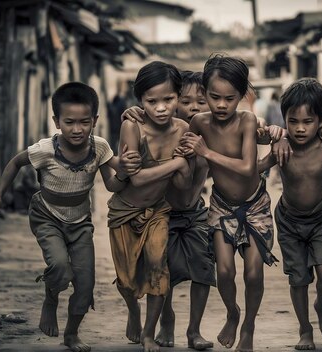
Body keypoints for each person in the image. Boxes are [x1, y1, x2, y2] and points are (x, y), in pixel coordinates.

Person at [0, 81, 141, 352]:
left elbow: (114, 184)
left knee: (85, 283)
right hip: (46, 217)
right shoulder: (45, 149)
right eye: (69, 122)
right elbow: (14, 163)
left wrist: (126, 170)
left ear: (95, 120)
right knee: (60, 267)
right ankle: (51, 295)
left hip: (81, 223)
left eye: (84, 122)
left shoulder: (100, 147)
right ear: (57, 121)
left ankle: (71, 333)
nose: (77, 129)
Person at [180, 54, 278, 352]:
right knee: (223, 272)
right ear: (205, 93)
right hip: (221, 207)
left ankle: (248, 326)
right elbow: (178, 141)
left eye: (230, 98)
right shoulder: (198, 122)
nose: (221, 105)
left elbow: (248, 167)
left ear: (243, 96)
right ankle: (233, 313)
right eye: (214, 97)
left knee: (253, 273)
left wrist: (206, 153)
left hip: (255, 206)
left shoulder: (247, 121)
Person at [119, 70, 216, 350]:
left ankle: (194, 331)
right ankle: (167, 320)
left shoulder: (213, 132)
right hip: (164, 212)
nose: (193, 107)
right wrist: (133, 111)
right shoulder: (166, 128)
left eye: (201, 101)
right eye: (185, 101)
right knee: (163, 272)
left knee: (203, 269)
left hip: (195, 211)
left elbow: (254, 127)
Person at [257, 78, 322, 350]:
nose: (300, 128)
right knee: (298, 278)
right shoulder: (282, 148)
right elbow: (256, 166)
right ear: (285, 118)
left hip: (321, 218)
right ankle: (305, 329)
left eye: (308, 121)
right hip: (289, 222)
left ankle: (321, 305)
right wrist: (275, 138)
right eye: (293, 121)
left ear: (321, 120)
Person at [107, 61, 191, 352]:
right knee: (126, 282)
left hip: (157, 211)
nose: (160, 108)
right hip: (124, 212)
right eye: (151, 101)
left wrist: (185, 165)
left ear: (178, 96)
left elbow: (182, 185)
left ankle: (147, 333)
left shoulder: (183, 129)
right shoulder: (132, 126)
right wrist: (176, 163)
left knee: (158, 267)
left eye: (168, 99)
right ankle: (133, 310)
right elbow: (137, 179)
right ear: (139, 101)